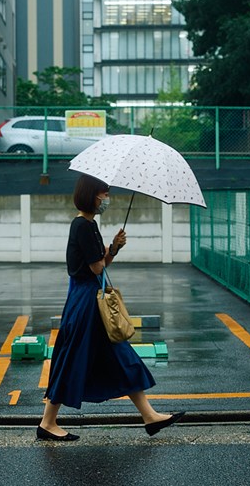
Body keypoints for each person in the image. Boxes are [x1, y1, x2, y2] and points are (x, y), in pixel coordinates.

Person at [37, 174, 184, 441]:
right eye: (103, 193)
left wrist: (113, 248)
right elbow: (96, 267)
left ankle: (149, 416)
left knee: (118, 356)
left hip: (88, 299)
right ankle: (47, 422)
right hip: (87, 304)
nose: (106, 198)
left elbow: (100, 265)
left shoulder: (88, 225)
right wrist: (112, 251)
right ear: (91, 195)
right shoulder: (83, 226)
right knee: (77, 358)